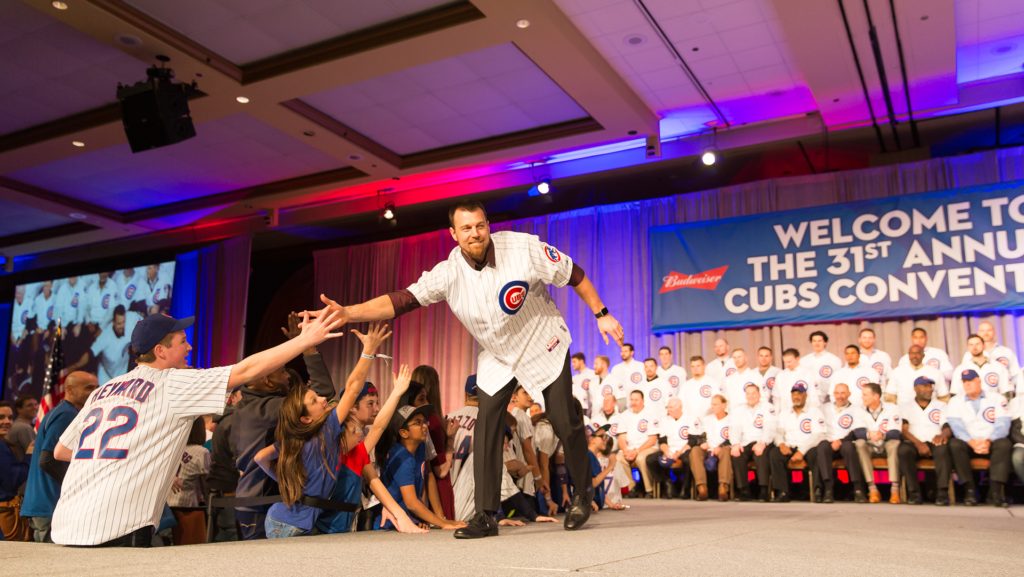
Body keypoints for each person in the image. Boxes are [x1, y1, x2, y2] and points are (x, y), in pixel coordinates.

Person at [312, 200, 624, 539]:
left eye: (479, 225)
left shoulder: (522, 248)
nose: (474, 233)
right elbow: (402, 300)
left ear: (487, 225)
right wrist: (349, 312)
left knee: (565, 419)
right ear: (453, 234)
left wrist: (601, 312)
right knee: (486, 426)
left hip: (541, 342)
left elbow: (573, 274)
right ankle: (486, 515)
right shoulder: (448, 274)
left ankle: (582, 494)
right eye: (466, 228)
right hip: (497, 354)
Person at [49, 308, 345, 547]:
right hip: (116, 528)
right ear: (160, 351)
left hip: (66, 524)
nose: (189, 346)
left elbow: (63, 451)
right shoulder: (172, 383)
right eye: (181, 341)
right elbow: (246, 370)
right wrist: (305, 341)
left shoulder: (106, 388)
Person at [232, 313, 344, 540]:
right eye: (281, 371)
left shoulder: (246, 406)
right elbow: (326, 397)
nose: (287, 375)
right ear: (267, 380)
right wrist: (307, 347)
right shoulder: (270, 408)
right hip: (262, 503)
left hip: (252, 500)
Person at [21, 372, 98, 542]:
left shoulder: (64, 412)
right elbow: (48, 459)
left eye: (96, 387)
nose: (94, 392)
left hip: (44, 504)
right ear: (69, 389)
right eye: (89, 388)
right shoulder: (67, 415)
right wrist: (78, 485)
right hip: (50, 504)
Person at [377, 405, 466, 531]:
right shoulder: (401, 458)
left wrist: (441, 518)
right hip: (392, 525)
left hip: (411, 520)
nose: (425, 426)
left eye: (424, 422)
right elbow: (411, 503)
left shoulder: (420, 448)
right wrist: (442, 523)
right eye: (418, 423)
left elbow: (428, 479)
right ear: (404, 432)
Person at [945, 369, 1013, 507]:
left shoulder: (997, 398)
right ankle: (970, 491)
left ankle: (996, 492)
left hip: (991, 441)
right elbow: (956, 426)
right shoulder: (955, 401)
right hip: (969, 442)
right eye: (965, 382)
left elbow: (1003, 424)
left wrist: (988, 440)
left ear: (978, 381)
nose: (967, 384)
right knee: (955, 444)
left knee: (1004, 444)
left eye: (970, 381)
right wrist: (971, 442)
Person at [897, 377, 953, 505]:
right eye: (925, 386)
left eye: (930, 386)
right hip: (914, 442)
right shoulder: (906, 406)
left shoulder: (941, 405)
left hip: (934, 441)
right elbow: (904, 430)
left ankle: (942, 493)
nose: (929, 389)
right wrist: (918, 444)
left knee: (943, 449)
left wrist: (943, 435)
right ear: (915, 388)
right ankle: (914, 493)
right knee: (903, 451)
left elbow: (947, 426)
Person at [770, 384, 828, 503]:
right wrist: (781, 444)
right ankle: (782, 492)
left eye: (799, 394)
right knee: (774, 454)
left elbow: (819, 435)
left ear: (805, 395)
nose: (796, 397)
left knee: (816, 454)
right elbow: (778, 432)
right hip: (790, 446)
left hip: (808, 447)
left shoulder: (815, 412)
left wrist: (802, 451)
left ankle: (817, 490)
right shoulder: (784, 413)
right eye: (794, 394)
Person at [411, 365, 455, 521]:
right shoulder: (433, 421)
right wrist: (450, 440)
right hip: (438, 487)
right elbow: (440, 470)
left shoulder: (426, 419)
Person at [853, 383, 902, 504]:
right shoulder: (859, 409)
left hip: (886, 444)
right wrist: (870, 435)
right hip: (870, 444)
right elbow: (857, 431)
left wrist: (882, 435)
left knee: (894, 443)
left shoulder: (892, 408)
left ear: (876, 396)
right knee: (859, 444)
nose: (862, 397)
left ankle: (895, 490)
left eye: (865, 395)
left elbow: (896, 431)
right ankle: (872, 489)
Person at [168, 417, 210, 545]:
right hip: (190, 507)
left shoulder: (172, 448)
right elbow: (206, 482)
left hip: (168, 507)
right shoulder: (201, 451)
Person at [822, 383, 867, 503]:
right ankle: (828, 490)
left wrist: (840, 441)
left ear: (849, 394)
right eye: (837, 393)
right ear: (833, 395)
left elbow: (857, 431)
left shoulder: (856, 409)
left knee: (848, 447)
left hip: (845, 442)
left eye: (843, 393)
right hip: (829, 442)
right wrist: (829, 441)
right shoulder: (825, 408)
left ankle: (858, 489)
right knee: (822, 447)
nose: (840, 396)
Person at [730, 384, 774, 502]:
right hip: (745, 442)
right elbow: (734, 428)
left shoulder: (768, 407)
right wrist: (735, 444)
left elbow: (770, 427)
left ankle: (764, 490)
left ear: (759, 394)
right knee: (737, 455)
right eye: (748, 393)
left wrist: (763, 442)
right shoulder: (739, 410)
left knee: (761, 455)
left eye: (753, 393)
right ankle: (744, 490)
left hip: (763, 440)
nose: (751, 396)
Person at [615, 390, 659, 498]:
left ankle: (649, 490)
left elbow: (652, 439)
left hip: (648, 448)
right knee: (618, 458)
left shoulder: (651, 414)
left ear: (642, 401)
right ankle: (631, 487)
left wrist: (637, 451)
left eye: (636, 400)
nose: (633, 402)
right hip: (630, 449)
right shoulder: (625, 415)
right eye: (632, 399)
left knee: (640, 458)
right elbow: (621, 437)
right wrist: (625, 451)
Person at [646, 397, 693, 500]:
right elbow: (662, 440)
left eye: (671, 407)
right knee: (650, 460)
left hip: (684, 449)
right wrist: (666, 451)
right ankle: (666, 482)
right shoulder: (665, 420)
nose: (668, 409)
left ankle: (685, 489)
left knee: (687, 460)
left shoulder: (689, 419)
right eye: (668, 407)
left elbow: (692, 441)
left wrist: (679, 453)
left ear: (679, 407)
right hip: (669, 449)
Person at [0, 401, 32, 541]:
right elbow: (12, 480)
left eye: (10, 417)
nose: (7, 422)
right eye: (1, 417)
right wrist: (29, 456)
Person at [692, 394, 732, 501]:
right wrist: (703, 442)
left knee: (725, 451)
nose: (713, 406)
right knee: (695, 451)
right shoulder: (707, 419)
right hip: (708, 448)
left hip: (723, 447)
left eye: (716, 404)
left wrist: (721, 446)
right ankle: (701, 487)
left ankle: (723, 486)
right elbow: (700, 435)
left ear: (724, 405)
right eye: (712, 404)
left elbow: (734, 437)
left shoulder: (731, 419)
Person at [968, 321, 1021, 392]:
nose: (985, 333)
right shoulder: (968, 355)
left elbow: (1016, 375)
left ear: (994, 332)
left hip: (1004, 392)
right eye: (982, 331)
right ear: (978, 333)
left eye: (989, 330)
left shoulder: (1006, 352)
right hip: (978, 396)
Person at [802, 331, 841, 405]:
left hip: (828, 399)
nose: (817, 343)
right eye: (814, 341)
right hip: (809, 398)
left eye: (819, 341)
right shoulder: (804, 360)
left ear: (825, 343)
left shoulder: (834, 360)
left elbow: (838, 380)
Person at [774, 348, 818, 413]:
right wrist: (777, 413)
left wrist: (812, 412)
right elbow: (777, 397)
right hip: (785, 413)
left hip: (804, 412)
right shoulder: (780, 375)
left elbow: (813, 395)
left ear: (797, 359)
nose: (787, 365)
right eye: (785, 362)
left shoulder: (808, 373)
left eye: (789, 362)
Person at [609, 344, 644, 411]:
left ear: (632, 352)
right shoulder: (616, 368)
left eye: (625, 351)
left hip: (636, 400)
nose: (623, 353)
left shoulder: (640, 366)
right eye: (622, 351)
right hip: (620, 400)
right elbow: (613, 386)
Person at [571, 353, 597, 418]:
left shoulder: (592, 374)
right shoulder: (574, 378)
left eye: (574, 362)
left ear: (581, 361)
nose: (572, 365)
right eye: (572, 362)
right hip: (576, 409)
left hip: (588, 408)